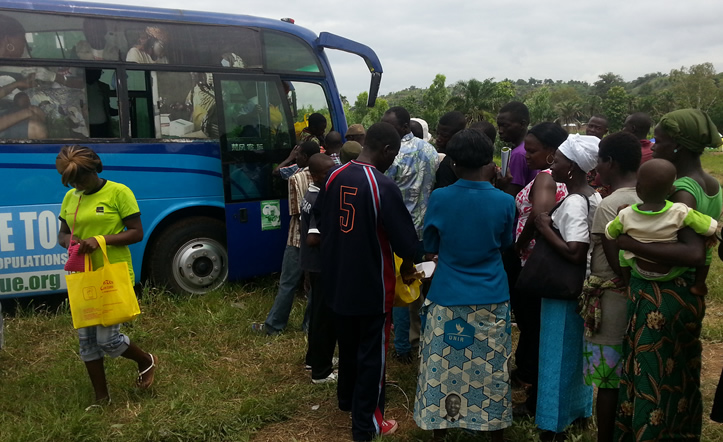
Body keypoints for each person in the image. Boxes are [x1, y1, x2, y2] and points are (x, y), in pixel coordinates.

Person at [613, 109, 722, 441]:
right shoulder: (712, 184)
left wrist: (628, 241)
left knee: (652, 376)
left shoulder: (681, 192)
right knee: (679, 373)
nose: (654, 146)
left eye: (660, 141)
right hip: (687, 293)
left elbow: (692, 252)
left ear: (677, 148)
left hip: (663, 296)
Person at [314, 122, 418, 441]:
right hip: (372, 287)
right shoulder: (382, 185)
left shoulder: (334, 174)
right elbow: (406, 245)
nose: (394, 161)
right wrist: (420, 260)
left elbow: (321, 221)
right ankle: (367, 425)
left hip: (336, 281)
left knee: (347, 347)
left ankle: (347, 400)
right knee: (372, 357)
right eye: (394, 154)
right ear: (386, 150)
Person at [413, 129, 514, 442]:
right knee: (492, 366)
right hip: (491, 295)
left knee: (442, 368)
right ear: (489, 161)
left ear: (453, 163)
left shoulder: (441, 197)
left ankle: (439, 428)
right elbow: (505, 243)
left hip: (447, 294)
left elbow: (431, 247)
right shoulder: (505, 202)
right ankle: (492, 426)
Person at [55, 145, 156, 409]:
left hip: (114, 273)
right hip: (83, 276)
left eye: (80, 178)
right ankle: (102, 399)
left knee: (107, 340)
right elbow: (62, 235)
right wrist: (70, 241)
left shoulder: (119, 192)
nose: (77, 185)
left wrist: (101, 240)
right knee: (86, 340)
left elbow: (136, 233)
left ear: (96, 168)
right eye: (72, 181)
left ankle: (145, 360)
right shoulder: (71, 198)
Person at [534, 134, 601, 437]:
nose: (553, 165)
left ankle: (552, 422)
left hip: (563, 289)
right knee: (578, 354)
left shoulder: (574, 202)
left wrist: (544, 227)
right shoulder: (594, 196)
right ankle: (579, 411)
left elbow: (575, 251)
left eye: (558, 160)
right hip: (585, 287)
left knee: (556, 353)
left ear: (572, 167)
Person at [581, 131, 642, 442]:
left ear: (611, 162)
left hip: (612, 300)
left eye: (600, 160)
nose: (597, 167)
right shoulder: (652, 198)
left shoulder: (609, 206)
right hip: (641, 299)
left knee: (607, 381)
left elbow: (608, 257)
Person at [509, 123, 569, 415]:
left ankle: (532, 391)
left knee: (533, 328)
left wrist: (520, 243)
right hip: (546, 265)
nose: (526, 155)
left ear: (551, 153)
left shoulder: (546, 178)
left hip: (533, 265)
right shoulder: (563, 179)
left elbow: (539, 212)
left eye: (532, 150)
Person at [605, 159, 717, 294]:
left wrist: (618, 218)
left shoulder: (625, 214)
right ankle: (699, 284)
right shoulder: (681, 211)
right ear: (671, 189)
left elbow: (610, 233)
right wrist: (711, 233)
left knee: (623, 253)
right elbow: (708, 225)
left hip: (639, 269)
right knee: (707, 249)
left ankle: (628, 284)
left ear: (638, 188)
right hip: (671, 271)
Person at [382, 106, 439, 364]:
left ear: (404, 127)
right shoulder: (430, 150)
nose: (386, 130)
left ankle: (403, 347)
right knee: (424, 286)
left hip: (400, 234)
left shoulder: (392, 154)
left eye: (391, 126)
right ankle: (426, 343)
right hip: (424, 232)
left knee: (402, 289)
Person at [252, 141, 320, 335]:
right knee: (315, 285)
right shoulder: (327, 174)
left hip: (298, 237)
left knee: (288, 283)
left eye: (298, 155)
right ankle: (309, 325)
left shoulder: (295, 179)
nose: (295, 157)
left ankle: (274, 325)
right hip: (318, 238)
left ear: (305, 157)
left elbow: (297, 212)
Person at [300, 153, 338, 384]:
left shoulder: (311, 192)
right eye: (327, 172)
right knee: (324, 317)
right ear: (314, 175)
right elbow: (314, 239)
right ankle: (321, 372)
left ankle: (314, 359)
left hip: (313, 264)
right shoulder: (318, 198)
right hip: (320, 264)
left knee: (316, 315)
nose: (332, 174)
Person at [497, 101, 537, 197]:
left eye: (505, 125)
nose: (500, 131)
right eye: (499, 126)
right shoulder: (530, 149)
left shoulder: (519, 154)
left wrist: (499, 185)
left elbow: (511, 196)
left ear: (522, 124)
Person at [434, 111, 466, 189]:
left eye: (444, 136)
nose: (438, 139)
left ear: (457, 135)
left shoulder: (448, 164)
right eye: (437, 134)